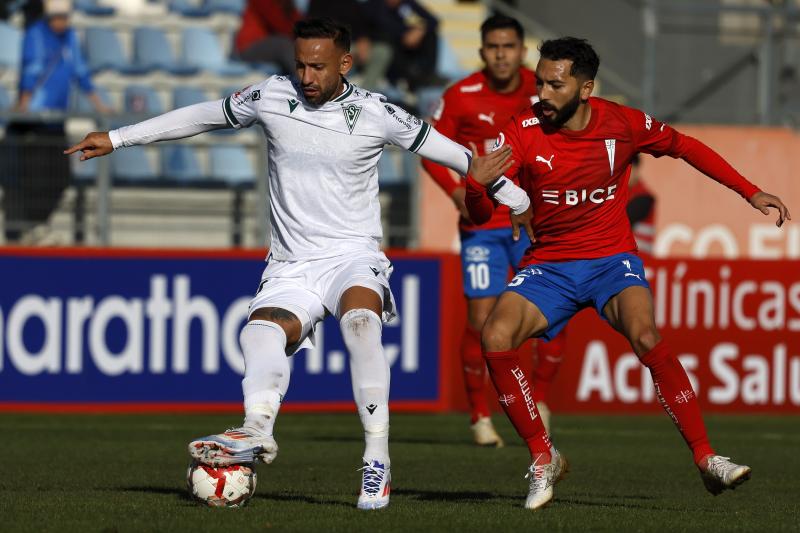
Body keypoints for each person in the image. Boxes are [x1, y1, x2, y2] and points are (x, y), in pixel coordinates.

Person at [65, 18, 509, 511]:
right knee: (259, 332)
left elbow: (461, 157)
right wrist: (121, 137)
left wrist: (519, 200)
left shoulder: (377, 112)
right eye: (300, 64)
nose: (306, 75)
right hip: (292, 263)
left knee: (361, 324)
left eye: (318, 66)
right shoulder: (270, 96)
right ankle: (256, 430)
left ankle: (377, 461)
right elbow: (202, 115)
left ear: (345, 63)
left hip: (352, 255)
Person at [465, 37, 791, 510]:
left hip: (610, 260)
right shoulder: (522, 129)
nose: (544, 93)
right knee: (495, 336)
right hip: (549, 264)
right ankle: (543, 456)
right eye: (540, 82)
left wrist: (750, 191)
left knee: (645, 335)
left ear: (586, 88)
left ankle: (706, 459)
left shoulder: (623, 123)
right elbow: (479, 213)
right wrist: (476, 186)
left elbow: (686, 147)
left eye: (556, 84)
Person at [420, 14, 564, 446]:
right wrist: (456, 193)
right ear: (483, 52)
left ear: (522, 50)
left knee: (552, 318)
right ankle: (480, 415)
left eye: (509, 47)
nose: (501, 55)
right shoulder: (460, 96)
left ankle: (539, 400)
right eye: (493, 47)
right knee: (482, 319)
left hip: (534, 224)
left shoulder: (542, 91)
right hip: (481, 227)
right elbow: (430, 152)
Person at [3, 0, 110, 243]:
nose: (62, 22)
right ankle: (29, 228)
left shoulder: (70, 37)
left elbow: (80, 71)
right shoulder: (36, 34)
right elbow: (32, 68)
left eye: (65, 16)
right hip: (35, 120)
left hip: (56, 121)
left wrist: (99, 105)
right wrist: (24, 102)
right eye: (58, 17)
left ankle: (37, 224)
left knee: (60, 177)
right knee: (35, 177)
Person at [234, 0, 301, 75]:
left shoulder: (287, 3)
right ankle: (305, 79)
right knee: (283, 45)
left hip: (273, 44)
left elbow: (299, 22)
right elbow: (279, 24)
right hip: (249, 46)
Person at [627, 154, 656, 257]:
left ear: (636, 169)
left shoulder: (644, 198)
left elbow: (622, 218)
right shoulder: (618, 194)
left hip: (641, 262)